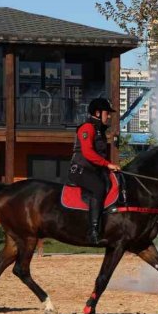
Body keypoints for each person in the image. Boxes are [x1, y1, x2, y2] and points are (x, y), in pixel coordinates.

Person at [66, 97, 121, 245]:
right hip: (80, 170)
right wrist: (108, 165)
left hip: (93, 170)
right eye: (106, 113)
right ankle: (93, 232)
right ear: (97, 113)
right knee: (98, 188)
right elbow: (88, 153)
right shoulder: (87, 128)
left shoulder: (100, 131)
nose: (109, 116)